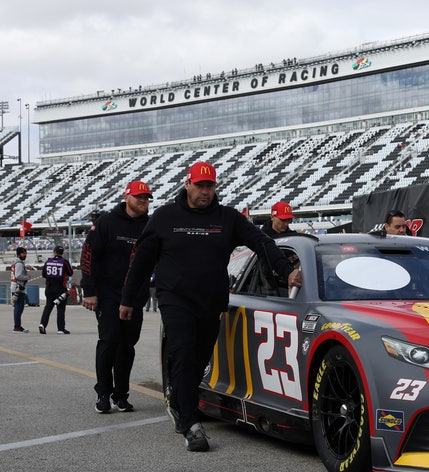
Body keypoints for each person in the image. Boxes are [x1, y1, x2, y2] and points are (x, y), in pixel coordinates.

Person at [118, 161, 302, 452]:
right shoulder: (165, 217)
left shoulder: (227, 218)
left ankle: (180, 403)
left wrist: (287, 269)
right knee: (183, 350)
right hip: (175, 299)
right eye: (200, 185)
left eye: (210, 185)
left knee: (198, 360)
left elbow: (261, 242)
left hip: (211, 301)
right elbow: (141, 260)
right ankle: (191, 424)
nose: (205, 191)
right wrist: (128, 300)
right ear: (187, 184)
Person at [81, 180, 153, 414]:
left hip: (135, 298)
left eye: (146, 198)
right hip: (108, 294)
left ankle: (121, 395)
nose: (143, 201)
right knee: (109, 341)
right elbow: (88, 255)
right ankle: (103, 393)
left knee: (127, 346)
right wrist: (89, 291)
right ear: (127, 197)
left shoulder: (150, 226)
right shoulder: (107, 222)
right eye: (139, 197)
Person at [38, 245, 74, 334]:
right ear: (62, 253)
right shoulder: (64, 262)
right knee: (61, 309)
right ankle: (60, 329)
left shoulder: (48, 261)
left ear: (54, 252)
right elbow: (70, 273)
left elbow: (44, 274)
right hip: (60, 288)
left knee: (48, 307)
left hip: (49, 288)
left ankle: (42, 324)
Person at [10, 246, 31, 333]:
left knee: (19, 307)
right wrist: (27, 277)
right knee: (19, 307)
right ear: (19, 254)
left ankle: (18, 325)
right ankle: (17, 326)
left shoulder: (17, 262)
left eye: (25, 253)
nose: (25, 255)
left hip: (17, 286)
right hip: (18, 287)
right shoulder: (19, 264)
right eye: (23, 253)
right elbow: (18, 276)